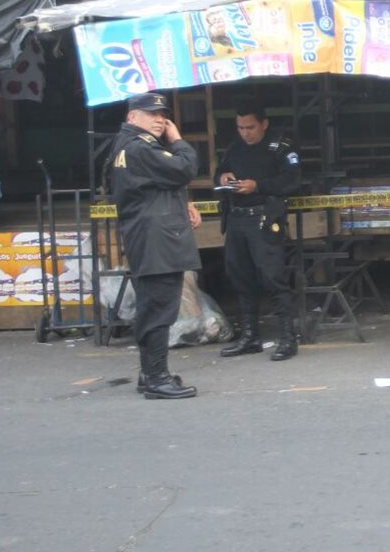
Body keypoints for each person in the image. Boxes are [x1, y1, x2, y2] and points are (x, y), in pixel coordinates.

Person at [105, 92, 200, 400]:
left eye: (163, 115)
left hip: (149, 236)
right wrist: (178, 139)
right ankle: (157, 377)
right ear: (133, 117)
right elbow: (185, 168)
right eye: (152, 114)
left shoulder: (128, 147)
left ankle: (151, 373)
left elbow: (162, 183)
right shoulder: (139, 148)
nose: (160, 120)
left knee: (153, 306)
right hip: (157, 239)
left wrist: (184, 202)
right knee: (160, 308)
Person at [216, 99, 301, 361]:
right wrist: (223, 177)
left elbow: (292, 180)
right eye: (240, 127)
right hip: (237, 219)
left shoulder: (281, 146)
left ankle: (287, 338)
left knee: (272, 276)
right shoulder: (235, 147)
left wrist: (258, 186)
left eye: (250, 127)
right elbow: (219, 171)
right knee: (240, 277)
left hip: (264, 216)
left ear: (264, 124)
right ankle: (250, 336)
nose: (245, 133)